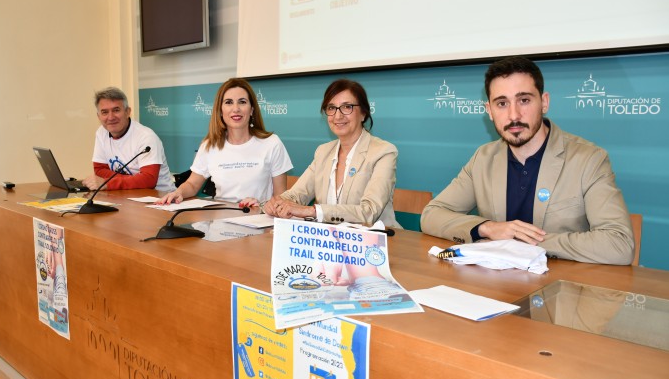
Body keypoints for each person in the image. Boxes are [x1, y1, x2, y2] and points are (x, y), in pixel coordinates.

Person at [421, 56, 634, 265]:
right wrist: (487, 228)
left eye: (524, 100)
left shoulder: (588, 159)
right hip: (495, 288)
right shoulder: (483, 158)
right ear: (490, 111)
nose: (514, 115)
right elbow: (431, 215)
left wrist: (526, 243)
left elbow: (619, 244)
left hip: (561, 290)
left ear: (544, 102)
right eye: (502, 103)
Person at [263, 78, 399, 227]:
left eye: (347, 107)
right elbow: (296, 195)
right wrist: (275, 204)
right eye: (331, 108)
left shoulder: (383, 152)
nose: (338, 116)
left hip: (375, 243)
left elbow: (369, 211)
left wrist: (314, 211)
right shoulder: (323, 152)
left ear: (363, 113)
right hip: (329, 242)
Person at [157, 78, 293, 206]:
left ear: (251, 110)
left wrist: (261, 205)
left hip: (258, 221)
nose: (236, 109)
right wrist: (178, 192)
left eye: (242, 102)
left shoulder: (271, 143)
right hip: (220, 221)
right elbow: (192, 185)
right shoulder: (210, 145)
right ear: (220, 111)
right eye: (228, 102)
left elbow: (280, 197)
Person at [83, 87, 175, 192]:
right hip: (125, 195)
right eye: (104, 112)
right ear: (98, 116)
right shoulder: (101, 132)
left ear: (128, 112)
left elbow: (148, 180)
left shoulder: (146, 137)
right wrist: (131, 180)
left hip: (159, 198)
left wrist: (109, 183)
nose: (111, 117)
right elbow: (99, 170)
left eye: (116, 110)